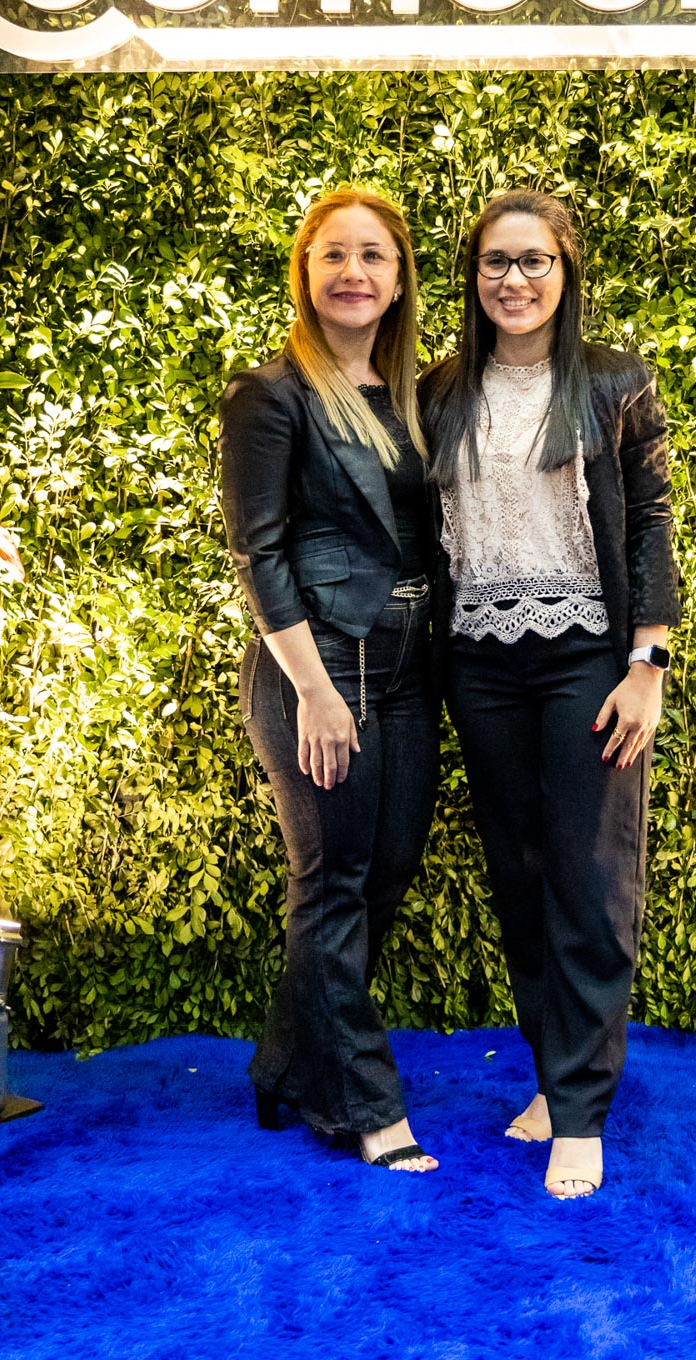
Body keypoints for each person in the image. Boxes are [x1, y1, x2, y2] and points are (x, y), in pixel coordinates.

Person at [420, 189, 680, 1198]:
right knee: (520, 877)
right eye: (495, 261)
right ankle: (551, 1073)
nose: (514, 279)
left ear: (565, 273)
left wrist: (647, 664)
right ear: (472, 276)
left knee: (589, 879)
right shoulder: (440, 389)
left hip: (587, 656)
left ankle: (580, 1111)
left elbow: (650, 519)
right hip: (480, 661)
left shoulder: (613, 380)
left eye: (534, 261)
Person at [220, 188, 439, 1173]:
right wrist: (312, 689)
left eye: (372, 255)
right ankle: (362, 1103)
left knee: (382, 874)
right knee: (332, 883)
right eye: (333, 254)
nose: (353, 271)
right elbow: (258, 553)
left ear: (398, 279)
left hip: (408, 664)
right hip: (321, 664)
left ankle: (284, 1065)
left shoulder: (416, 395)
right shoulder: (271, 394)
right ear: (305, 273)